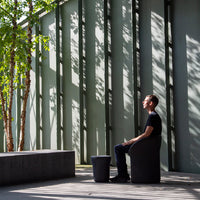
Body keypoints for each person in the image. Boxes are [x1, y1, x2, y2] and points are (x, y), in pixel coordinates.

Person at [110, 94, 162, 183]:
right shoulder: (154, 116)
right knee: (119, 148)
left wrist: (130, 142)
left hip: (146, 146)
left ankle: (123, 176)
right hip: (148, 145)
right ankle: (123, 175)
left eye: (145, 100)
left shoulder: (153, 116)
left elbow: (146, 134)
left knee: (118, 148)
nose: (143, 102)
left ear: (151, 103)